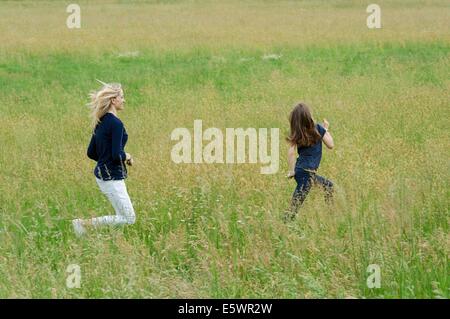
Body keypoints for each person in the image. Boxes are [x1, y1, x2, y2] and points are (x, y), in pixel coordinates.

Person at [72, 80, 135, 236]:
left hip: (101, 175)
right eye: (122, 97)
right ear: (114, 100)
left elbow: (91, 152)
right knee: (129, 218)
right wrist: (127, 156)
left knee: (121, 216)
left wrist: (104, 160)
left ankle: (115, 238)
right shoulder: (116, 124)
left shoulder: (101, 121)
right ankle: (83, 224)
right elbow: (117, 155)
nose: (124, 100)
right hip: (113, 177)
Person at [284, 102, 334, 221]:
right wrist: (326, 130)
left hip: (302, 172)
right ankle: (284, 224)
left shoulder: (298, 133)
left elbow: (291, 152)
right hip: (307, 174)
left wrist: (291, 171)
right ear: (309, 116)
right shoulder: (318, 129)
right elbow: (331, 145)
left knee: (328, 186)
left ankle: (331, 216)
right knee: (294, 208)